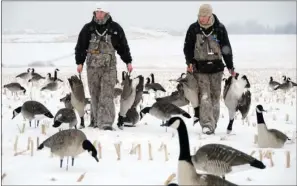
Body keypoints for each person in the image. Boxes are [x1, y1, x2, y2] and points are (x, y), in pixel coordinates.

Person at [75, 3, 133, 130]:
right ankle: (96, 121)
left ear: (107, 13)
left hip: (109, 68)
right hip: (92, 69)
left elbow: (123, 47)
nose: (99, 14)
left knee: (106, 94)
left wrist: (128, 61)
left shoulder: (115, 29)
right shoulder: (88, 29)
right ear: (94, 13)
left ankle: (106, 123)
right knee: (94, 94)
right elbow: (81, 47)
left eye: (102, 12)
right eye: (97, 12)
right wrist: (79, 62)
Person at [183, 4, 236, 135]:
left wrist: (230, 66)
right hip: (199, 69)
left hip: (217, 69)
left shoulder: (219, 29)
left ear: (210, 16)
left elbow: (226, 48)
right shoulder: (193, 29)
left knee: (215, 97)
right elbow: (187, 48)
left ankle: (213, 123)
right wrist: (189, 62)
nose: (201, 19)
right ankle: (206, 124)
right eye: (200, 16)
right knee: (204, 96)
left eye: (204, 17)